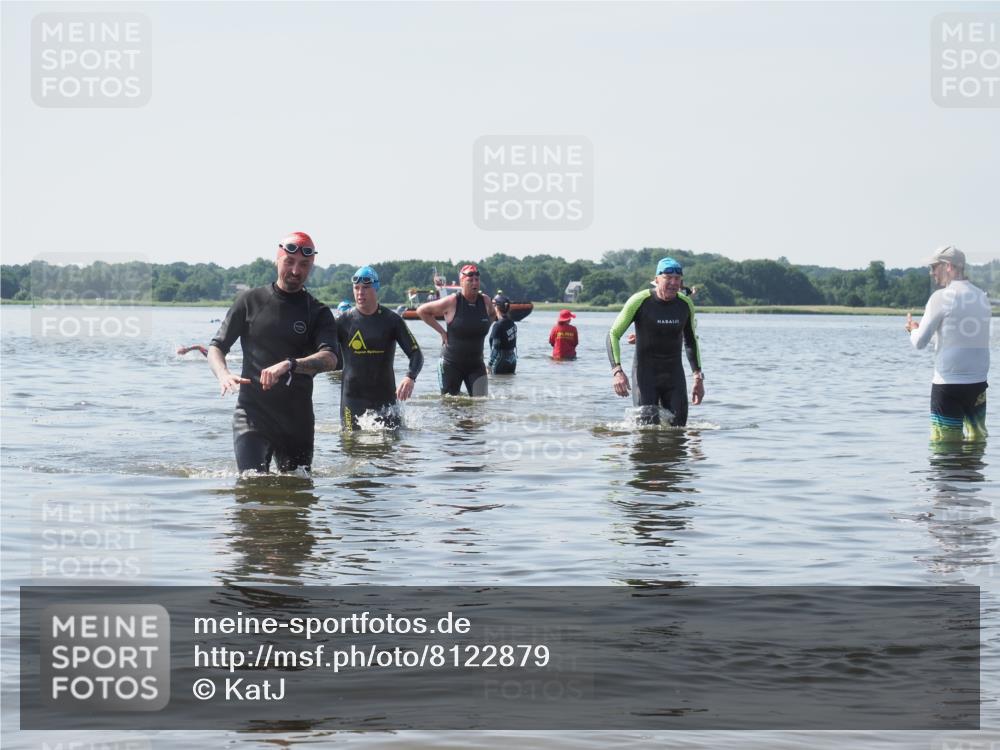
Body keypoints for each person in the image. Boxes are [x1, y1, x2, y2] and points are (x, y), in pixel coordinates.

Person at [208, 231, 339, 473]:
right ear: (277, 259)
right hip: (252, 415)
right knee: (251, 489)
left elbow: (331, 358)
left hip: (297, 420)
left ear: (312, 266)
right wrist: (223, 375)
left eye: (304, 265)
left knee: (297, 498)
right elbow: (216, 347)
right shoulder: (250, 301)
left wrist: (290, 364)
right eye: (289, 262)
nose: (295, 271)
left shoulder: (318, 312)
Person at [905, 245, 990, 442]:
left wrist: (913, 329)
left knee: (945, 451)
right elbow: (959, 338)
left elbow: (919, 342)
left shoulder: (940, 298)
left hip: (948, 386)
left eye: (934, 266)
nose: (931, 272)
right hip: (977, 385)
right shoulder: (982, 297)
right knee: (977, 445)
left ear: (949, 266)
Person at [607, 257, 704, 426]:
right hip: (645, 375)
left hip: (674, 376)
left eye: (677, 279)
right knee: (647, 431)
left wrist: (698, 377)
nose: (673, 283)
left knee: (678, 431)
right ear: (657, 279)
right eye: (668, 278)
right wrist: (617, 371)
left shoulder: (685, 304)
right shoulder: (640, 301)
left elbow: (691, 341)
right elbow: (613, 334)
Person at [337, 265, 423, 430]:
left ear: (376, 288)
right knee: (351, 448)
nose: (360, 292)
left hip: (385, 400)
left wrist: (410, 377)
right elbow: (323, 352)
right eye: (357, 288)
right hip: (352, 400)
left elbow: (416, 353)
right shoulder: (343, 322)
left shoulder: (392, 320)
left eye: (366, 288)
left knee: (389, 451)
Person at [416, 263, 496, 396]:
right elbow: (422, 311)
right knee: (450, 406)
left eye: (477, 279)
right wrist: (442, 332)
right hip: (451, 364)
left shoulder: (485, 301)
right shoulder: (453, 301)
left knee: (481, 406)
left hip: (476, 365)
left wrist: (486, 325)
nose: (474, 283)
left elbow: (493, 314)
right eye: (470, 280)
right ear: (461, 282)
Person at [488, 294, 517, 374]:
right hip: (512, 360)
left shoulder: (497, 325)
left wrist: (489, 365)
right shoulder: (512, 323)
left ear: (496, 307)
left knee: (496, 384)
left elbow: (496, 347)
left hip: (501, 360)